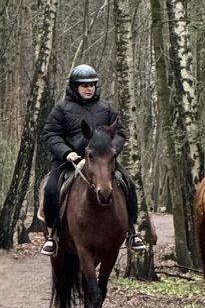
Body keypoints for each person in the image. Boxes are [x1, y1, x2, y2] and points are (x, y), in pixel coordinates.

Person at [39, 64, 148, 256]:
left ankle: (132, 231)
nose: (89, 88)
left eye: (92, 84)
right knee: (50, 188)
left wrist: (112, 149)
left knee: (128, 185)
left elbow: (120, 132)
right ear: (75, 87)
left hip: (102, 162)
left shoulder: (106, 108)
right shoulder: (61, 109)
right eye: (84, 85)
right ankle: (53, 235)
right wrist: (66, 152)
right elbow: (50, 134)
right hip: (70, 161)